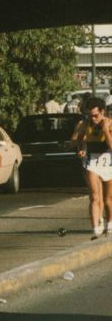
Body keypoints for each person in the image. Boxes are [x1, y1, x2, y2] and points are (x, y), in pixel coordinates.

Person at [71, 97, 112, 239]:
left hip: (108, 162)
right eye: (90, 115)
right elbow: (76, 140)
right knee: (94, 196)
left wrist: (106, 130)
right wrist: (81, 147)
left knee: (108, 199)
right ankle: (95, 229)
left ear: (102, 112)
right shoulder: (85, 124)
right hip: (92, 161)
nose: (93, 118)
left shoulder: (110, 124)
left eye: (96, 115)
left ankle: (110, 224)